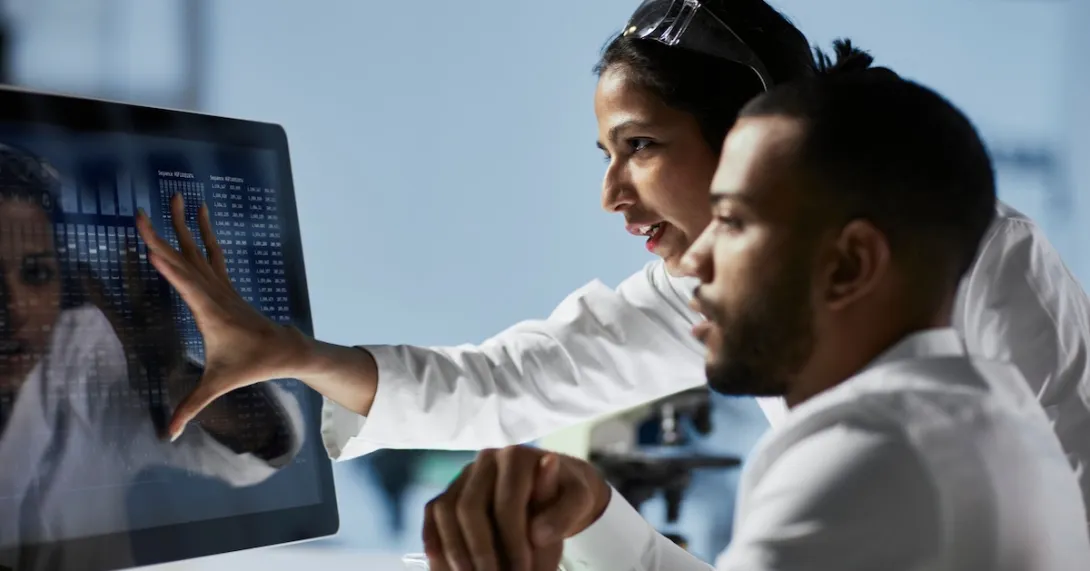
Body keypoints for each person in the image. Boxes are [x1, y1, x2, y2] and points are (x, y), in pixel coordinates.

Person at [138, 0, 1090, 523]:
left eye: (639, 146)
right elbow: (503, 381)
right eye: (605, 155)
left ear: (754, 135)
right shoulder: (707, 289)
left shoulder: (971, 257)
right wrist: (292, 355)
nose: (612, 195)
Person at [421, 44, 1090, 571]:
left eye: (734, 222)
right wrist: (597, 517)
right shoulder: (989, 422)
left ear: (850, 262)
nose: (697, 262)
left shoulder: (869, 457)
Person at [0, 143, 305, 570]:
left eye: (36, 273)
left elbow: (268, 445)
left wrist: (174, 374)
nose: (13, 309)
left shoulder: (83, 358)